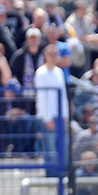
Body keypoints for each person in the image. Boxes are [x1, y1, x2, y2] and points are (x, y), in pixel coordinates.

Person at [34, 41, 68, 176]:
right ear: (45, 55)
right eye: (50, 54)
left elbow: (63, 94)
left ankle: (62, 172)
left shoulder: (59, 72)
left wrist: (65, 114)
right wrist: (47, 118)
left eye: (55, 54)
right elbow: (42, 97)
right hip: (47, 115)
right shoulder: (40, 73)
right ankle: (52, 174)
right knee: (50, 147)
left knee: (62, 145)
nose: (53, 56)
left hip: (60, 114)